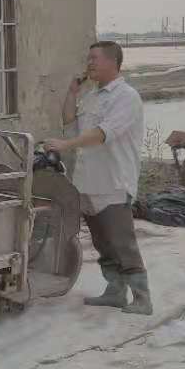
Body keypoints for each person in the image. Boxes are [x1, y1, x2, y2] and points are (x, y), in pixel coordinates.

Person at [44, 41, 150, 314]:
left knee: (122, 242)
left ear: (113, 62)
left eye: (94, 58)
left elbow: (102, 134)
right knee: (103, 243)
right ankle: (115, 292)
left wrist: (65, 146)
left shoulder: (126, 97)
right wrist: (72, 92)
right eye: (88, 58)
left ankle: (142, 298)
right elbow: (70, 122)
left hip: (113, 181)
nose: (89, 63)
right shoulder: (92, 96)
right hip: (88, 181)